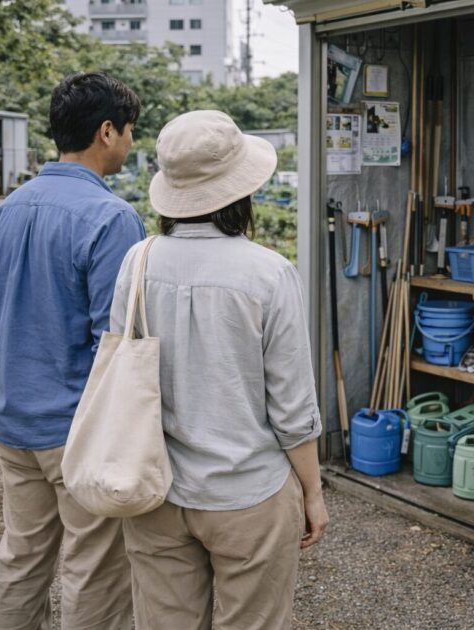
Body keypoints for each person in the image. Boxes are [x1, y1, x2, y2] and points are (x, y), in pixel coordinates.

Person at [111, 110, 329, 630]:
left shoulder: (137, 262)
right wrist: (313, 493)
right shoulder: (269, 273)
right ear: (240, 191)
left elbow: (124, 372)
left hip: (156, 491)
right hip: (248, 494)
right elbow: (292, 407)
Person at [0, 72, 145, 629]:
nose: (129, 142)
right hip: (77, 429)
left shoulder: (8, 208)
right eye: (128, 131)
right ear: (106, 131)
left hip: (13, 418)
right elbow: (116, 341)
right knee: (92, 569)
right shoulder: (111, 217)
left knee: (22, 557)